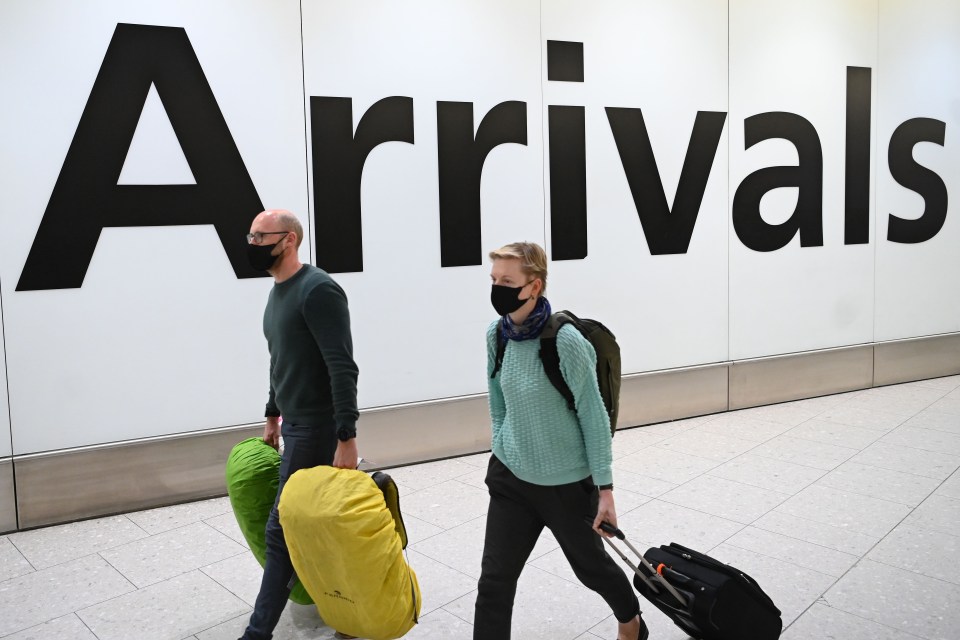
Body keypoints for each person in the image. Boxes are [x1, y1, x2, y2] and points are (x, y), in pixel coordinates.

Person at [474, 242, 647, 640]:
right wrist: (504, 444)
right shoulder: (495, 336)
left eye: (507, 281)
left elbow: (593, 415)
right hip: (512, 478)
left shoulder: (565, 341)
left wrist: (605, 489)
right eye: (494, 279)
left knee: (592, 569)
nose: (497, 288)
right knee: (494, 582)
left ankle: (631, 621)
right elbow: (496, 400)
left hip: (566, 484)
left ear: (534, 286)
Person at [239, 210, 360, 640]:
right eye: (250, 235)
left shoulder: (318, 289)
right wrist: (273, 413)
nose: (251, 243)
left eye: (259, 236)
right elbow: (281, 361)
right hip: (294, 424)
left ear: (288, 240)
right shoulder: (277, 291)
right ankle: (350, 605)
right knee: (314, 524)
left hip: (318, 428)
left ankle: (258, 633)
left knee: (280, 528)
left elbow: (341, 366)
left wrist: (346, 435)